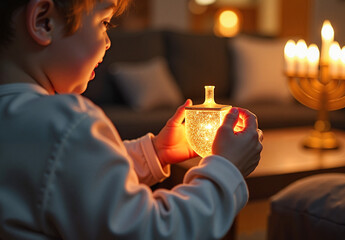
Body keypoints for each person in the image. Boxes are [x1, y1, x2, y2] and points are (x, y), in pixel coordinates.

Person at [0, 0, 263, 239]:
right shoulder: (67, 123)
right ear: (43, 21)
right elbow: (156, 230)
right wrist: (226, 168)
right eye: (103, 23)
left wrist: (154, 153)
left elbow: (68, 178)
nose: (108, 42)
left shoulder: (24, 123)